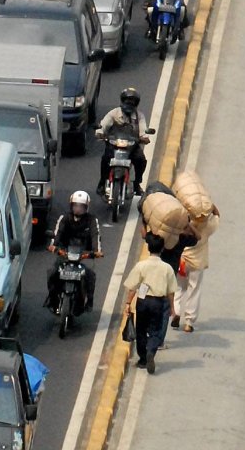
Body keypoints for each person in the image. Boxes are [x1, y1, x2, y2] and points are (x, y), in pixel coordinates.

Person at [124, 232, 177, 374]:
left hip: (143, 301)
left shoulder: (141, 266)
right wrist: (172, 308)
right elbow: (171, 291)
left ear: (148, 248)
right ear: (162, 250)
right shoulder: (167, 268)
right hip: (158, 302)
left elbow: (132, 287)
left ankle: (142, 359)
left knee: (141, 330)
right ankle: (151, 352)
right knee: (155, 330)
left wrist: (128, 303)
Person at [47, 190, 102, 313]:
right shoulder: (64, 218)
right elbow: (58, 233)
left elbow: (95, 235)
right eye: (75, 206)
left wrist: (96, 251)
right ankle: (53, 299)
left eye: (81, 206)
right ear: (71, 206)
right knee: (52, 272)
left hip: (84, 254)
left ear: (86, 207)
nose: (78, 209)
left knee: (90, 274)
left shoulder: (92, 220)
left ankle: (89, 301)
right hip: (65, 252)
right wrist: (53, 246)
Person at [172, 200, 220, 333]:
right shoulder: (207, 226)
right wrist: (211, 205)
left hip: (182, 261)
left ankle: (175, 311)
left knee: (178, 288)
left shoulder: (185, 225)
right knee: (194, 290)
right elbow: (217, 215)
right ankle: (189, 322)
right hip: (197, 263)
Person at [96, 88, 150, 197]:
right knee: (105, 159)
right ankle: (102, 182)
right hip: (114, 145)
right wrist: (100, 133)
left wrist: (144, 137)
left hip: (131, 146)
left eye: (132, 102)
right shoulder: (114, 113)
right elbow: (103, 125)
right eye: (127, 101)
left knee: (141, 160)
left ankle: (136, 184)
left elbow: (143, 131)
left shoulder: (139, 116)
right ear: (122, 101)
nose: (129, 104)